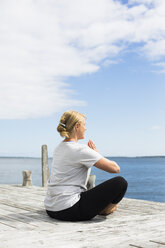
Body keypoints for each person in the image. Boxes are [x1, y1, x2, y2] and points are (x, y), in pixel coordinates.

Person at [44, 110, 128, 221]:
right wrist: (97, 154)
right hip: (70, 209)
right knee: (120, 182)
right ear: (77, 126)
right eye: (84, 125)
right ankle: (106, 210)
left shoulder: (59, 148)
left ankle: (103, 208)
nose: (86, 128)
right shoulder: (80, 149)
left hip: (51, 209)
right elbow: (115, 169)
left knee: (88, 185)